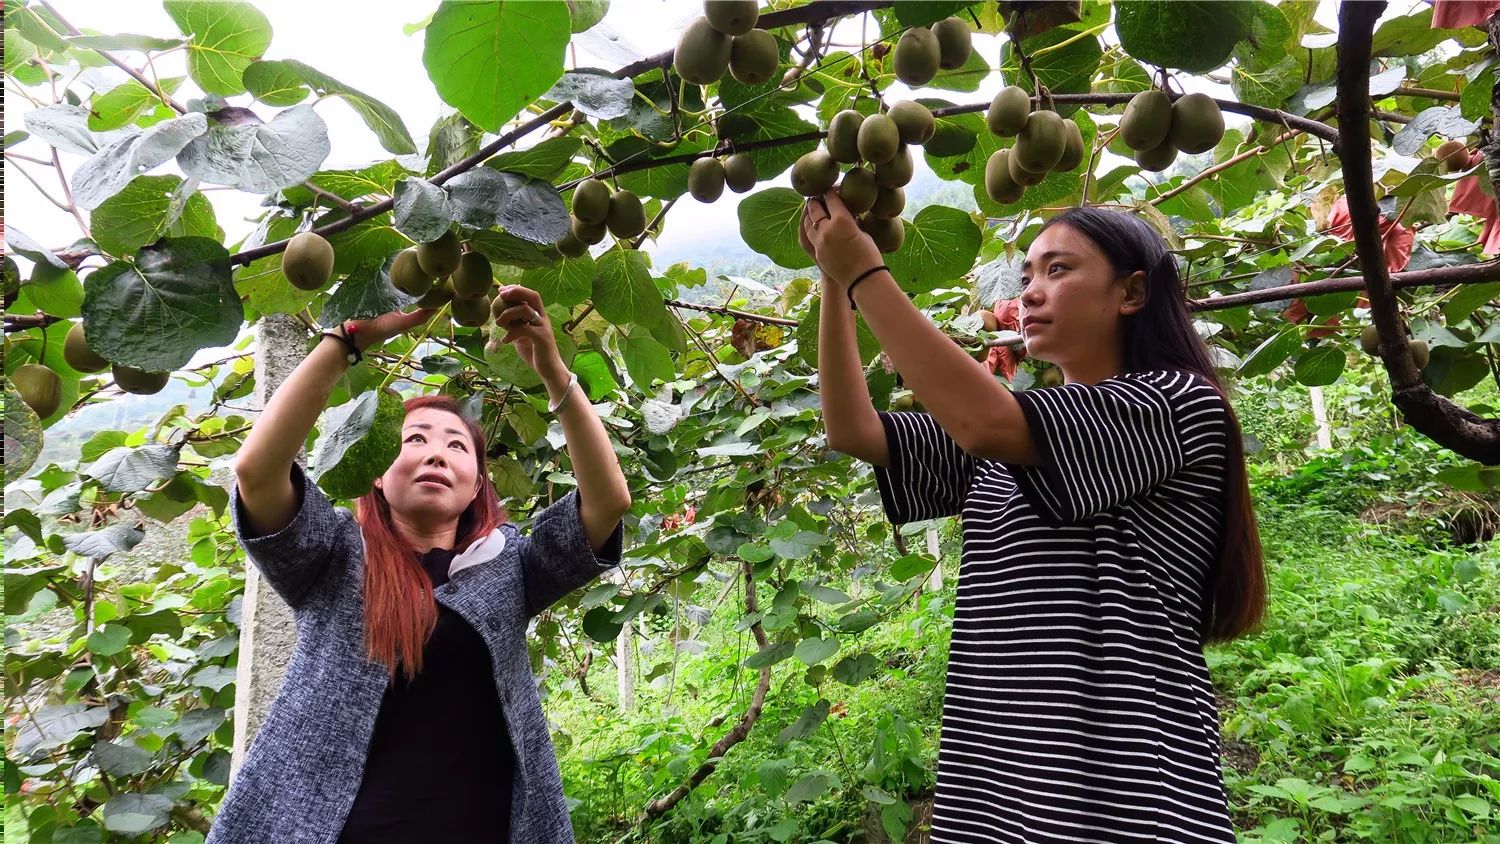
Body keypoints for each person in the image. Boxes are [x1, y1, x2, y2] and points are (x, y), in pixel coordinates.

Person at [801, 195, 1267, 843]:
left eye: (1058, 271)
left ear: (1131, 292)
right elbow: (851, 428)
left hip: (1125, 789)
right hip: (1001, 781)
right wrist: (833, 280)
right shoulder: (1024, 438)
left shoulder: (1177, 405)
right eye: (1025, 278)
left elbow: (985, 422)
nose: (1030, 295)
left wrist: (865, 275)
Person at [206, 285, 631, 844]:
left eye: (458, 446)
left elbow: (607, 502)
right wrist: (347, 340)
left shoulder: (507, 565)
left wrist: (552, 370)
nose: (436, 452)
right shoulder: (332, 555)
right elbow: (257, 470)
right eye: (415, 439)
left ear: (478, 483)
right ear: (379, 472)